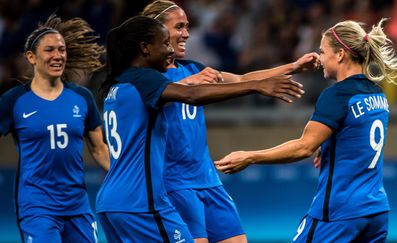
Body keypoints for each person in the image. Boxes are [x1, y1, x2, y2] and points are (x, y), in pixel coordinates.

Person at [96, 15, 306, 242]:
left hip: (112, 201)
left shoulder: (119, 84)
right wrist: (255, 86)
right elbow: (192, 95)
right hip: (141, 202)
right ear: (145, 48)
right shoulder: (145, 80)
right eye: (165, 43)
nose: (170, 50)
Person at [215, 18, 397, 242]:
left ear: (340, 54)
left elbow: (304, 148)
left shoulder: (337, 95)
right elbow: (358, 135)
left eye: (323, 52)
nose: (320, 59)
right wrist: (329, 145)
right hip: (376, 211)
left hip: (339, 212)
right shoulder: (377, 94)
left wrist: (251, 156)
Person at [0, 15, 109, 243]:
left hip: (77, 205)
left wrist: (124, 175)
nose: (58, 55)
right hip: (36, 206)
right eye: (50, 50)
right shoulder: (15, 101)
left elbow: (99, 149)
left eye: (62, 49)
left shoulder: (82, 97)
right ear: (31, 57)